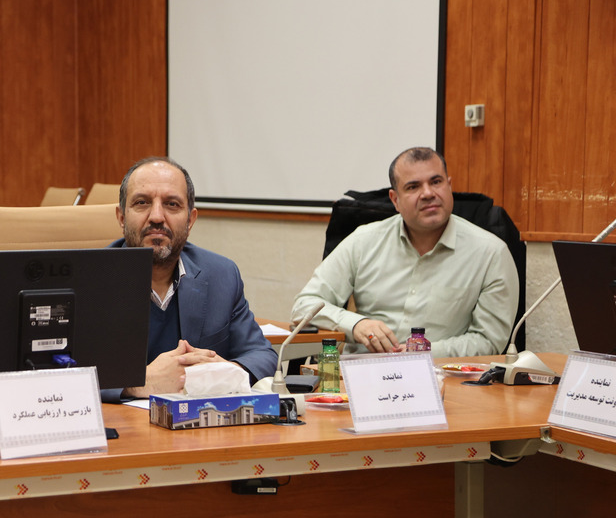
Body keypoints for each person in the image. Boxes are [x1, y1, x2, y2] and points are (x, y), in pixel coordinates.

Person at [291, 146, 519, 358]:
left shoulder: (491, 253)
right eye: (413, 187)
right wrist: (356, 325)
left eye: (436, 182)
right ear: (395, 200)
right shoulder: (363, 241)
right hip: (362, 372)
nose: (428, 193)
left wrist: (421, 352)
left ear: (449, 186)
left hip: (441, 376)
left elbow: (489, 341)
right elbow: (304, 305)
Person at [108, 157, 277, 399]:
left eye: (172, 204)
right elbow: (60, 370)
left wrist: (223, 373)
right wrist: (138, 383)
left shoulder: (221, 275)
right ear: (121, 217)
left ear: (190, 220)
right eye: (142, 202)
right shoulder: (88, 281)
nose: (156, 216)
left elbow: (261, 356)